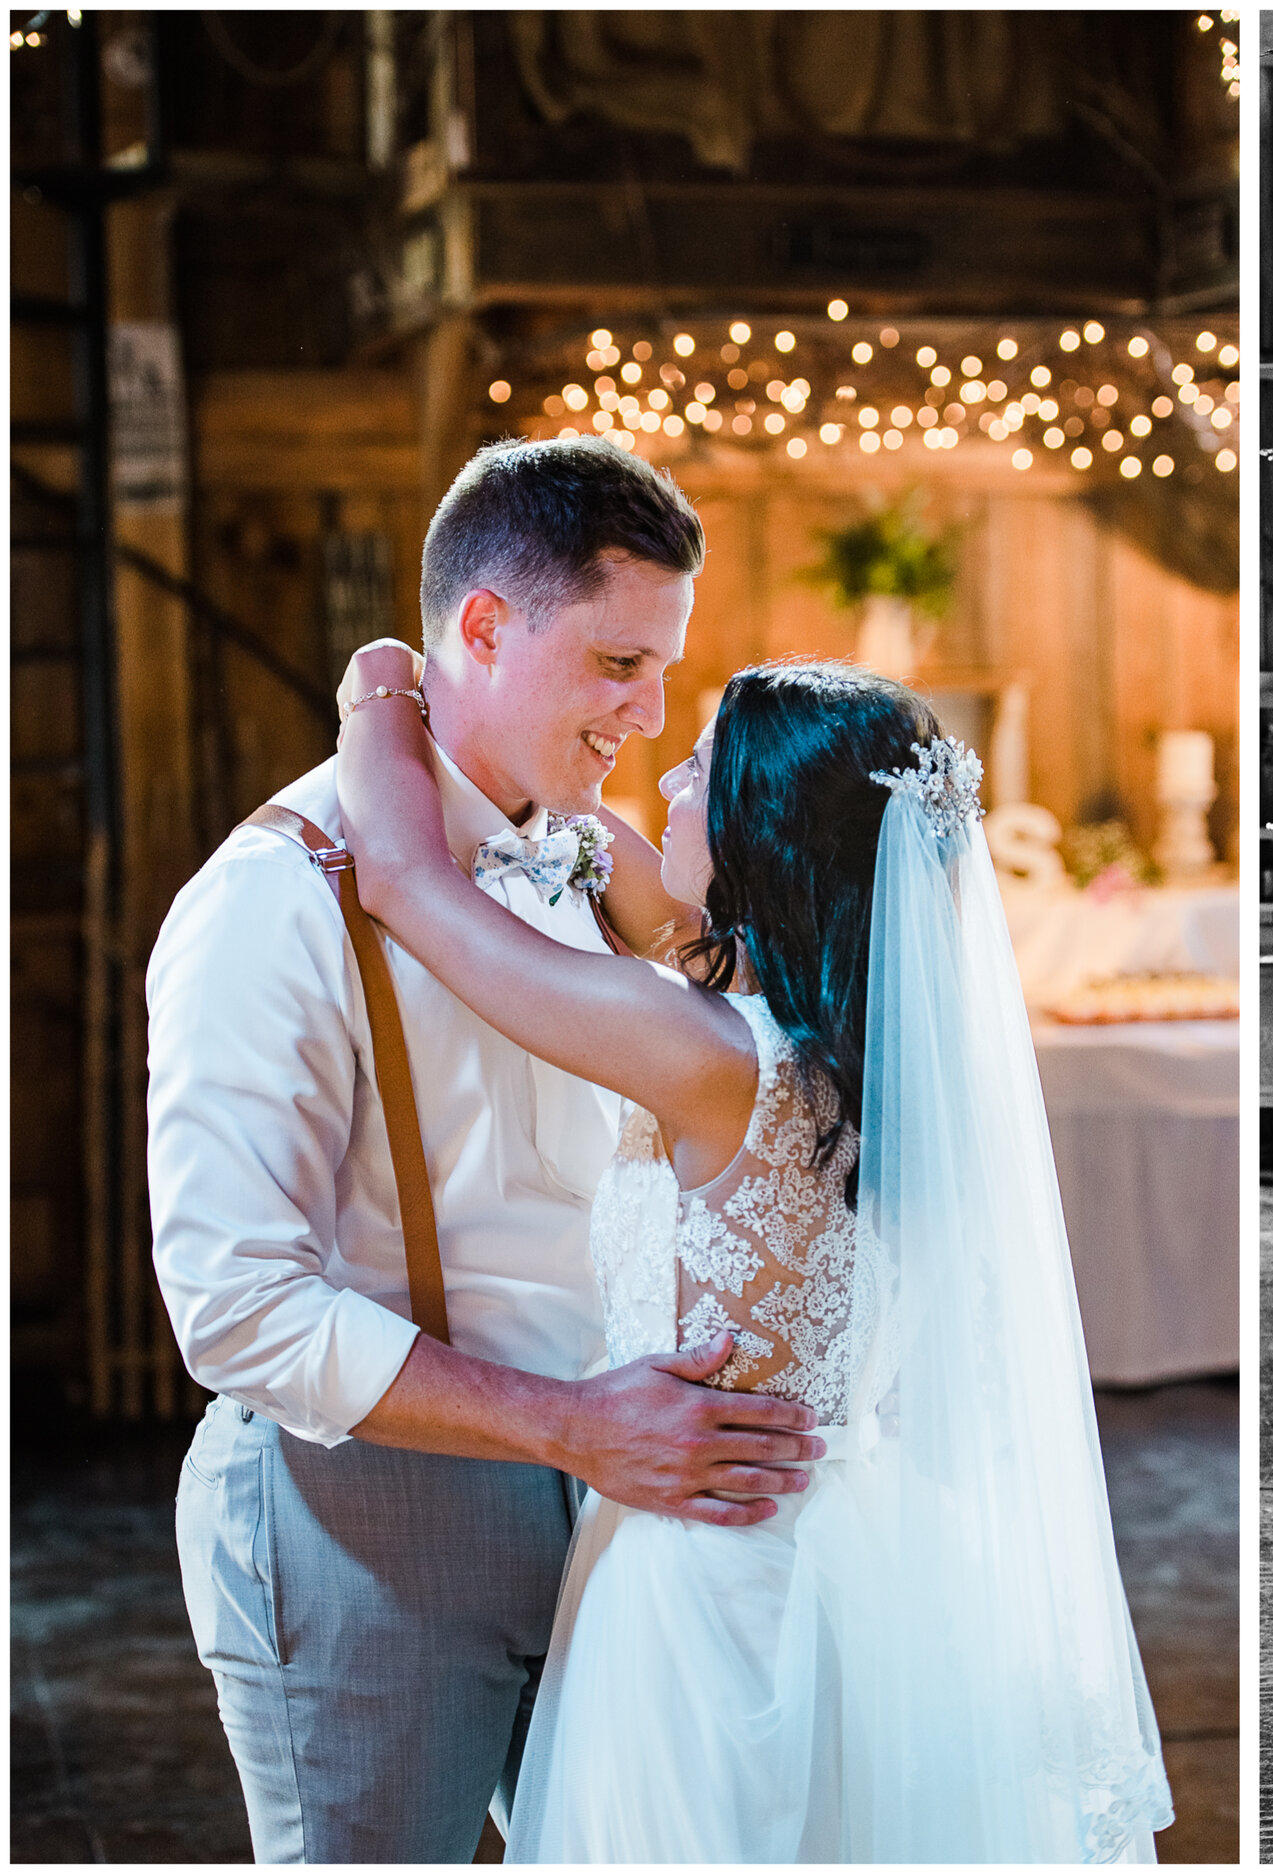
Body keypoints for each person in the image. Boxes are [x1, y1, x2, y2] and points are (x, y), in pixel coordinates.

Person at [331, 643, 1173, 1862]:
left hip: (708, 1586)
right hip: (860, 1555)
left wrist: (383, 695)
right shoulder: (863, 1045)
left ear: (758, 824)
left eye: (702, 765)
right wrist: (550, 772)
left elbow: (404, 881)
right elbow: (618, 853)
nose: (666, 776)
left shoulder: (706, 1054)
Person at [148, 438, 825, 1865]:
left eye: (661, 672)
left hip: (614, 1517)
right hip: (367, 1522)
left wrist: (599, 1450)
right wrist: (570, 1425)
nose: (646, 715)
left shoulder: (590, 866)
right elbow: (237, 1309)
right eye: (616, 666)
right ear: (481, 628)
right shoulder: (277, 898)